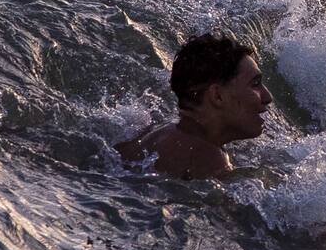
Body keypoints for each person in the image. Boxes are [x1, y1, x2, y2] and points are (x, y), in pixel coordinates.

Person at [116, 34, 273, 179]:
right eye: (255, 84)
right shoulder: (206, 157)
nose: (268, 97)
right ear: (217, 96)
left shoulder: (158, 132)